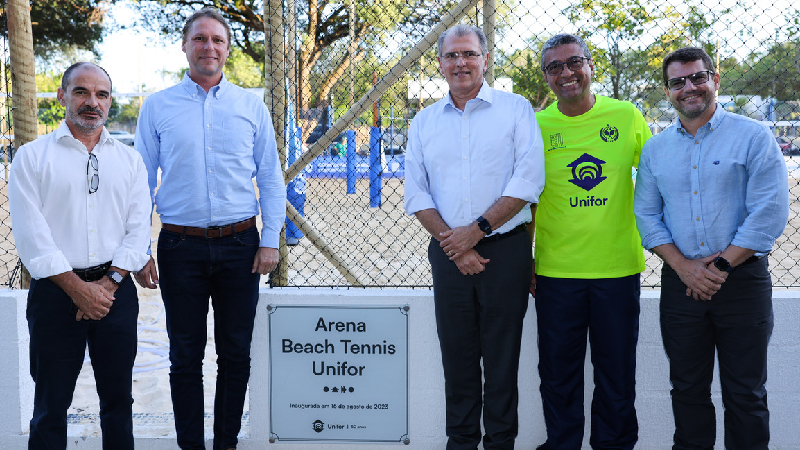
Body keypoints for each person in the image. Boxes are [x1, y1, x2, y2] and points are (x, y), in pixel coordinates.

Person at [133, 7, 286, 450]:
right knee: (184, 356)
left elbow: (271, 179)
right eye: (200, 39)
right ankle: (190, 445)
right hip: (179, 247)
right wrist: (139, 247)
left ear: (228, 48)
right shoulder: (158, 107)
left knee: (236, 354)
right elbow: (141, 182)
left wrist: (270, 241)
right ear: (184, 46)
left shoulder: (250, 106)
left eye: (217, 40)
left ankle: (225, 444)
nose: (209, 47)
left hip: (242, 245)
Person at [634, 47, 789, 450]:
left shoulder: (753, 136)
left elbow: (769, 212)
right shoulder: (655, 149)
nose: (689, 88)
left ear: (714, 80)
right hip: (682, 285)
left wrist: (718, 267)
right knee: (686, 390)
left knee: (746, 394)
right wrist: (684, 267)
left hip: (741, 283)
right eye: (677, 82)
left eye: (697, 77)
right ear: (667, 91)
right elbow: (648, 217)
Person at [404, 24, 545, 450]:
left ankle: (500, 443)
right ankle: (461, 442)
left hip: (505, 252)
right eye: (452, 56)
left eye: (468, 54)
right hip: (448, 255)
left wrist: (477, 232)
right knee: (458, 360)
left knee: (503, 363)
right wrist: (455, 243)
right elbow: (416, 192)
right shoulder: (424, 121)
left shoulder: (516, 109)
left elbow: (528, 182)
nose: (460, 63)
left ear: (486, 59)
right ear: (441, 63)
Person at [9, 62, 151, 449]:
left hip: (116, 294)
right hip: (56, 293)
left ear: (110, 102)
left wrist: (108, 284)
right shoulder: (31, 158)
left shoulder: (129, 160)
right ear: (62, 95)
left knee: (119, 402)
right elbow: (32, 236)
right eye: (81, 92)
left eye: (101, 95)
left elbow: (138, 231)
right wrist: (77, 289)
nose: (92, 102)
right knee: (51, 406)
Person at [532, 34, 651, 449]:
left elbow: (657, 180)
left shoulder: (626, 116)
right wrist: (529, 261)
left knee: (616, 373)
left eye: (573, 62)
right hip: (555, 272)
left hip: (616, 269)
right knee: (558, 375)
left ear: (590, 66)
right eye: (554, 67)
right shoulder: (537, 125)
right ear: (546, 76)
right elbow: (527, 200)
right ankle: (562, 443)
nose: (565, 73)